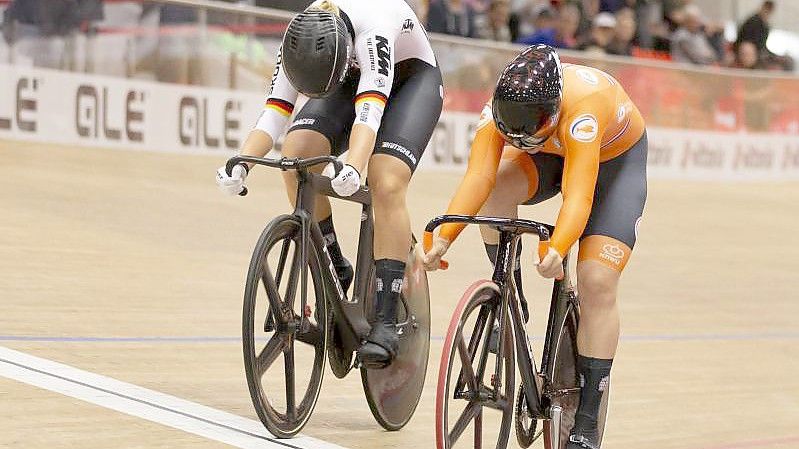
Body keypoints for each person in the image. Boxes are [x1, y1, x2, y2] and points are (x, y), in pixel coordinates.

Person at [423, 45, 647, 449]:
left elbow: (578, 197)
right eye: (514, 132)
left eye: (532, 128)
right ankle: (513, 301)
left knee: (596, 280)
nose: (520, 136)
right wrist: (444, 236)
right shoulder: (499, 112)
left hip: (614, 164)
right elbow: (479, 178)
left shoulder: (583, 108)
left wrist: (558, 247)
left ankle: (588, 421)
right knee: (496, 195)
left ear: (554, 109)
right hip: (549, 152)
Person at [216, 0, 443, 369]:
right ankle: (335, 262)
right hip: (346, 75)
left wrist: (353, 165)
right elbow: (275, 111)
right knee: (296, 155)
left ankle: (385, 317)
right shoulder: (300, 38)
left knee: (385, 180)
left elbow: (369, 112)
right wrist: (241, 163)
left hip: (410, 81)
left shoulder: (374, 29)